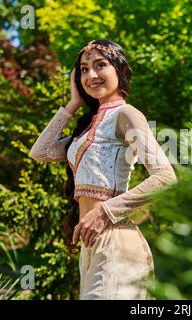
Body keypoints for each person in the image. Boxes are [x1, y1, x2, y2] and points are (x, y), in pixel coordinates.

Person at [29, 39, 177, 299]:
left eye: (100, 65)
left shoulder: (126, 114)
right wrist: (73, 103)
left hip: (117, 244)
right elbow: (40, 152)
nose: (91, 75)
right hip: (91, 247)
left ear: (118, 69)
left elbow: (165, 177)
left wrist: (105, 213)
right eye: (84, 69)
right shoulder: (86, 128)